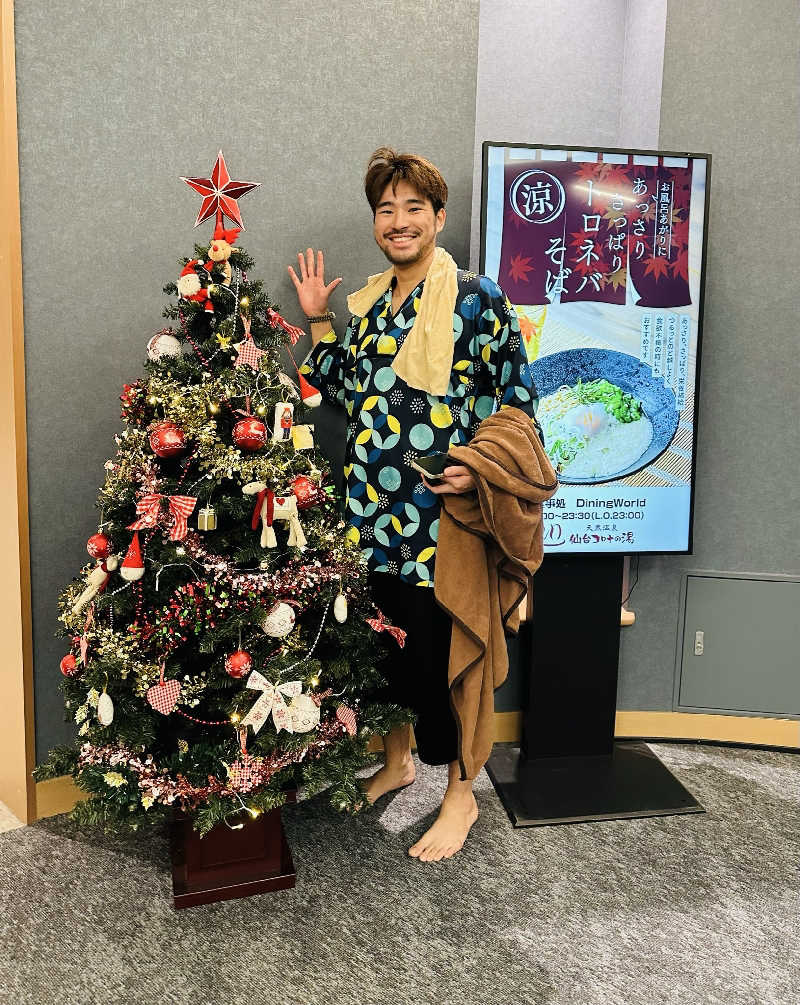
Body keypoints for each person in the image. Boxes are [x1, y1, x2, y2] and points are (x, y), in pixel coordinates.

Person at [288, 147, 538, 862]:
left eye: (412, 208)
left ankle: (462, 793)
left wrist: (477, 470)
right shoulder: (373, 305)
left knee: (447, 655)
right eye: (385, 209)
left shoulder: (476, 299)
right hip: (370, 516)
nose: (398, 221)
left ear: (439, 216)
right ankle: (397, 762)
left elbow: (518, 405)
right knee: (386, 652)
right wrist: (320, 320)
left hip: (443, 520)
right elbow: (345, 390)